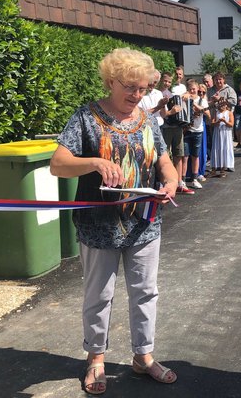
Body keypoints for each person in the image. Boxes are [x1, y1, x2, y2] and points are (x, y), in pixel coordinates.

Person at [49, 48, 180, 395]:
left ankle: (144, 356)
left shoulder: (147, 119)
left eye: (143, 88)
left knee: (145, 292)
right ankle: (95, 358)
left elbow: (164, 161)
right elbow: (58, 163)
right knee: (99, 295)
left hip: (144, 224)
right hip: (98, 226)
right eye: (130, 87)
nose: (137, 95)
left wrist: (169, 181)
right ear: (110, 81)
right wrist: (92, 162)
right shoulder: (86, 117)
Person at [161, 66, 194, 195]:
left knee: (179, 154)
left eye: (180, 74)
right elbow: (164, 112)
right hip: (167, 126)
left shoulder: (181, 89)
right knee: (165, 156)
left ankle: (180, 183)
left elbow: (190, 96)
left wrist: (187, 95)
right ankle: (167, 183)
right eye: (176, 74)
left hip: (179, 126)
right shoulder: (166, 93)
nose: (178, 76)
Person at [183, 79, 209, 189]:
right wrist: (184, 95)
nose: (192, 91)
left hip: (198, 130)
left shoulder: (201, 100)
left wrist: (194, 103)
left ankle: (194, 178)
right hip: (186, 130)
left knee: (195, 155)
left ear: (197, 89)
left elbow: (206, 112)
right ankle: (182, 180)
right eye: (190, 89)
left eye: (194, 89)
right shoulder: (185, 98)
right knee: (185, 156)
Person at [210, 99, 234, 177]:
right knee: (216, 149)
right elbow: (212, 123)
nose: (222, 106)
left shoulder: (229, 113)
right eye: (220, 104)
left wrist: (225, 121)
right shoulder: (216, 113)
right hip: (218, 132)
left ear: (226, 105)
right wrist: (217, 122)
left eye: (223, 104)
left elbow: (231, 124)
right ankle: (214, 169)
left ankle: (223, 169)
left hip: (226, 133)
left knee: (225, 149)